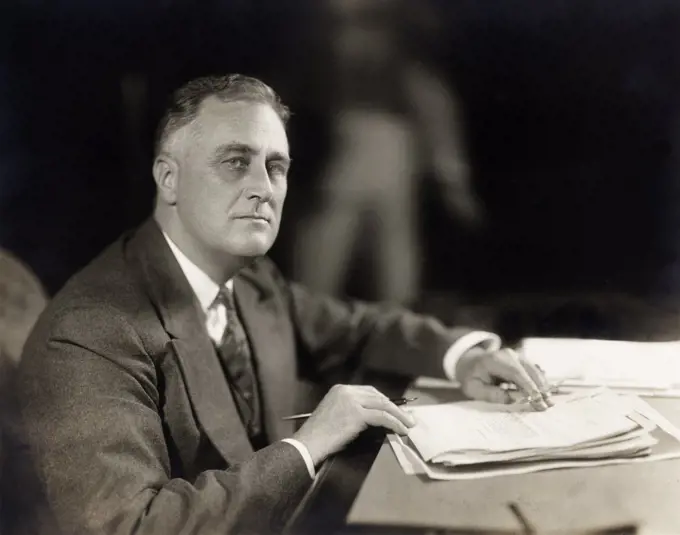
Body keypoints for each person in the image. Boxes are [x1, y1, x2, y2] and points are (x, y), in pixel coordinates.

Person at [3, 74, 553, 535]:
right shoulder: (93, 330)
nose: (263, 187)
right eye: (234, 162)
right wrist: (307, 446)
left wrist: (464, 356)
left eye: (276, 166)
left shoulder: (250, 279)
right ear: (168, 178)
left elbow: (358, 329)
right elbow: (134, 527)